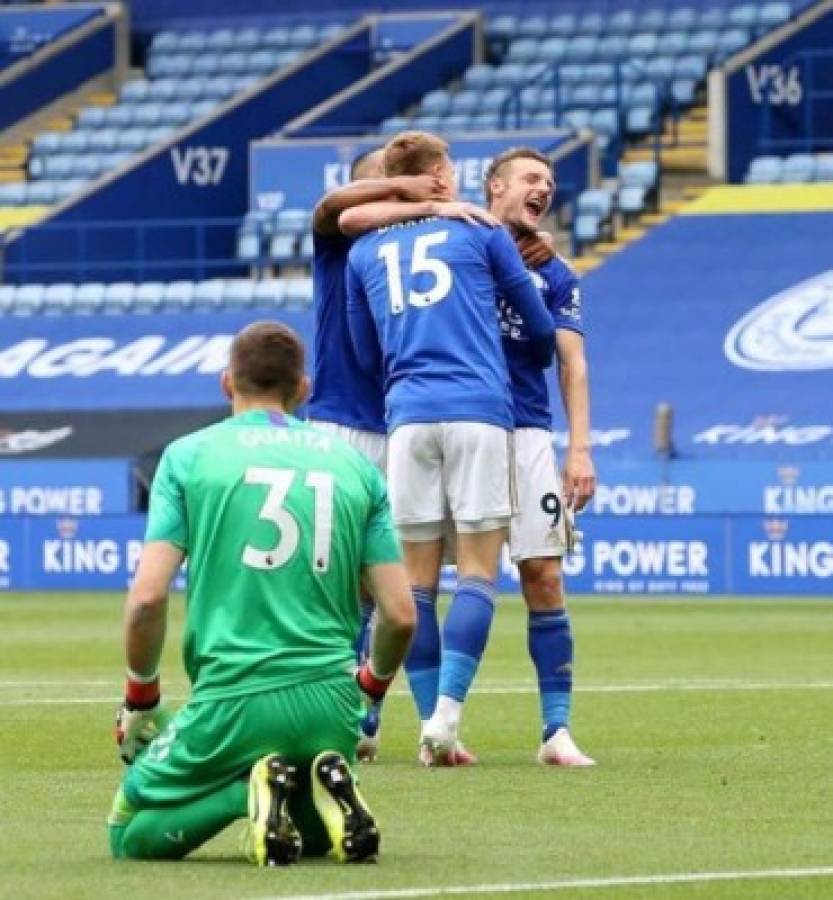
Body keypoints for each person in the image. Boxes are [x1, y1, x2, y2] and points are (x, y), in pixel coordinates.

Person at [106, 321, 415, 865]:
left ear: (227, 383)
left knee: (128, 831)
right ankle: (313, 791)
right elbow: (400, 615)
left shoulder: (187, 458)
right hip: (330, 705)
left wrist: (141, 698)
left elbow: (148, 599)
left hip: (231, 700)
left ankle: (243, 791)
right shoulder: (356, 468)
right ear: (304, 389)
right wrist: (368, 692)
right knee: (314, 839)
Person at [344, 131, 555, 766]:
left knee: (414, 586)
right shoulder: (481, 230)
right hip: (479, 412)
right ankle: (446, 718)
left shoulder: (362, 252)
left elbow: (362, 351)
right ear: (439, 174)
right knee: (479, 575)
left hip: (407, 415)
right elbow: (539, 333)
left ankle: (427, 723)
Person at [309, 146, 499, 762]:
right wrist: (426, 191)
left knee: (398, 585)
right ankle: (342, 711)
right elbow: (333, 209)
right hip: (346, 421)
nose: (388, 199)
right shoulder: (345, 237)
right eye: (378, 188)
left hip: (409, 419)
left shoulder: (430, 237)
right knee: (343, 586)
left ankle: (391, 718)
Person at [485, 147, 597, 766]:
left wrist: (579, 448)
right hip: (456, 425)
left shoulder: (557, 275)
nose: (544, 188)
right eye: (531, 178)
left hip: (529, 434)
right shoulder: (458, 246)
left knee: (545, 576)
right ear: (495, 187)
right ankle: (377, 719)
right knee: (405, 580)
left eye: (549, 183)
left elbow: (572, 364)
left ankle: (556, 732)